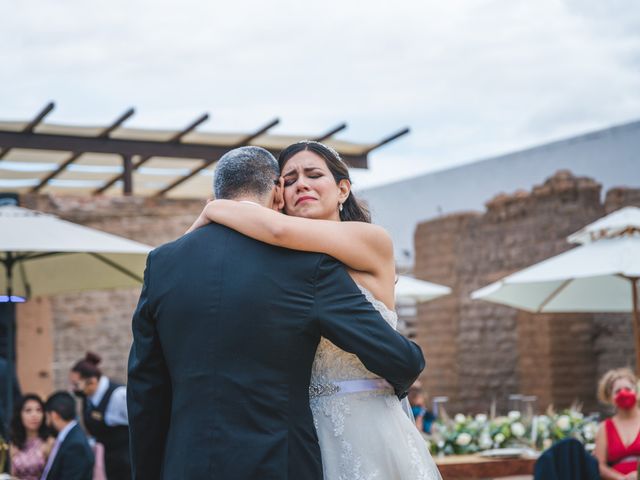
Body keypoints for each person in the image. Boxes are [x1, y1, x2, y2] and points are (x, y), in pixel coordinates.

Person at [128, 146, 425, 480]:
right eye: (290, 179)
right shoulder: (301, 266)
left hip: (361, 426)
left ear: (344, 188)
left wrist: (211, 213)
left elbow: (146, 389)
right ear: (277, 193)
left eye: (314, 175)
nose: (301, 185)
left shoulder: (165, 264)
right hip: (288, 452)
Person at [69, 352, 130, 480]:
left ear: (92, 382)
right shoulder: (87, 395)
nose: (73, 389)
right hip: (107, 461)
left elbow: (141, 426)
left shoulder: (119, 396)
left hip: (126, 463)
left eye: (76, 385)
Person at [594, 368, 640, 480]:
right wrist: (621, 478)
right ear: (611, 398)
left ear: (637, 392)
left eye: (628, 389)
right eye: (618, 391)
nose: (623, 393)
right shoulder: (604, 428)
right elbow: (599, 464)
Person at [41, 391, 94, 480]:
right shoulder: (67, 436)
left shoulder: (75, 445)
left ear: (54, 415)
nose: (46, 421)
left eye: (47, 416)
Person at [9, 394, 53, 480]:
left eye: (38, 410)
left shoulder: (49, 442)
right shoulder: (14, 443)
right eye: (28, 410)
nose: (34, 415)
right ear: (19, 415)